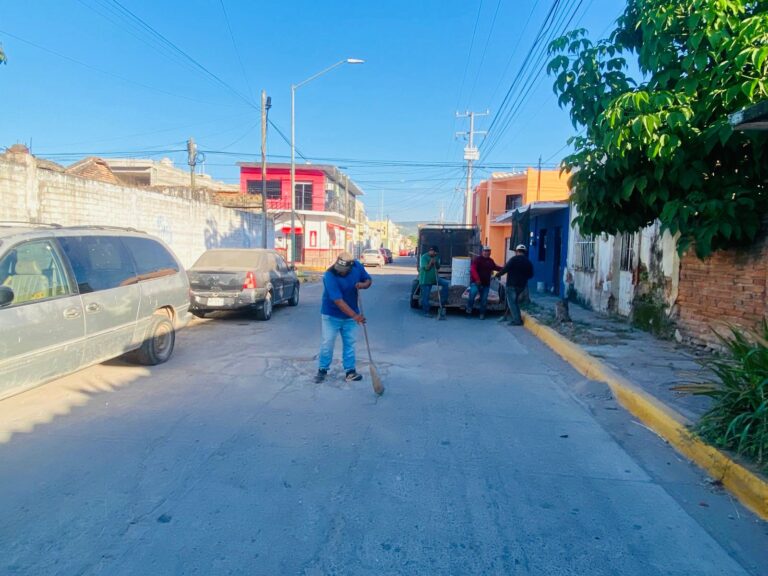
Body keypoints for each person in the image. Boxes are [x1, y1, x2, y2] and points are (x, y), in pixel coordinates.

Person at [315, 252, 372, 383]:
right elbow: (338, 301)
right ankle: (322, 369)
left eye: (344, 271)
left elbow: (368, 280)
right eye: (339, 270)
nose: (340, 272)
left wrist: (363, 285)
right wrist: (356, 316)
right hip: (331, 315)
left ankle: (350, 371)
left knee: (350, 343)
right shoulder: (329, 275)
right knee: (327, 343)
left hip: (351, 316)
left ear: (351, 267)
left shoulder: (357, 266)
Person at [495, 244, 534, 326]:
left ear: (517, 251)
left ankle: (517, 321)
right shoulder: (528, 262)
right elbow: (531, 275)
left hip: (511, 285)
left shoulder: (513, 260)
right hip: (521, 286)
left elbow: (505, 269)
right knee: (515, 302)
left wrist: (497, 275)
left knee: (512, 303)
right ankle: (518, 318)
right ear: (524, 252)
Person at [465, 245, 501, 319]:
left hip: (486, 284)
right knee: (472, 295)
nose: (486, 253)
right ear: (482, 252)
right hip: (476, 283)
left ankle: (482, 313)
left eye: (488, 251)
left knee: (484, 300)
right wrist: (477, 279)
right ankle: (469, 310)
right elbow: (473, 269)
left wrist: (505, 269)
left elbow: (496, 267)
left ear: (490, 252)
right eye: (485, 251)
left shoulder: (491, 261)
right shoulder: (477, 260)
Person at [419, 245, 450, 318]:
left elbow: (438, 267)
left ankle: (443, 301)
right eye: (435, 253)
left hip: (434, 278)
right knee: (426, 296)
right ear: (431, 251)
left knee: (445, 284)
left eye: (436, 254)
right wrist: (431, 262)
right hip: (425, 280)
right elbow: (426, 268)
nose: (436, 254)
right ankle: (426, 311)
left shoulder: (436, 257)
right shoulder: (424, 257)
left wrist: (436, 262)